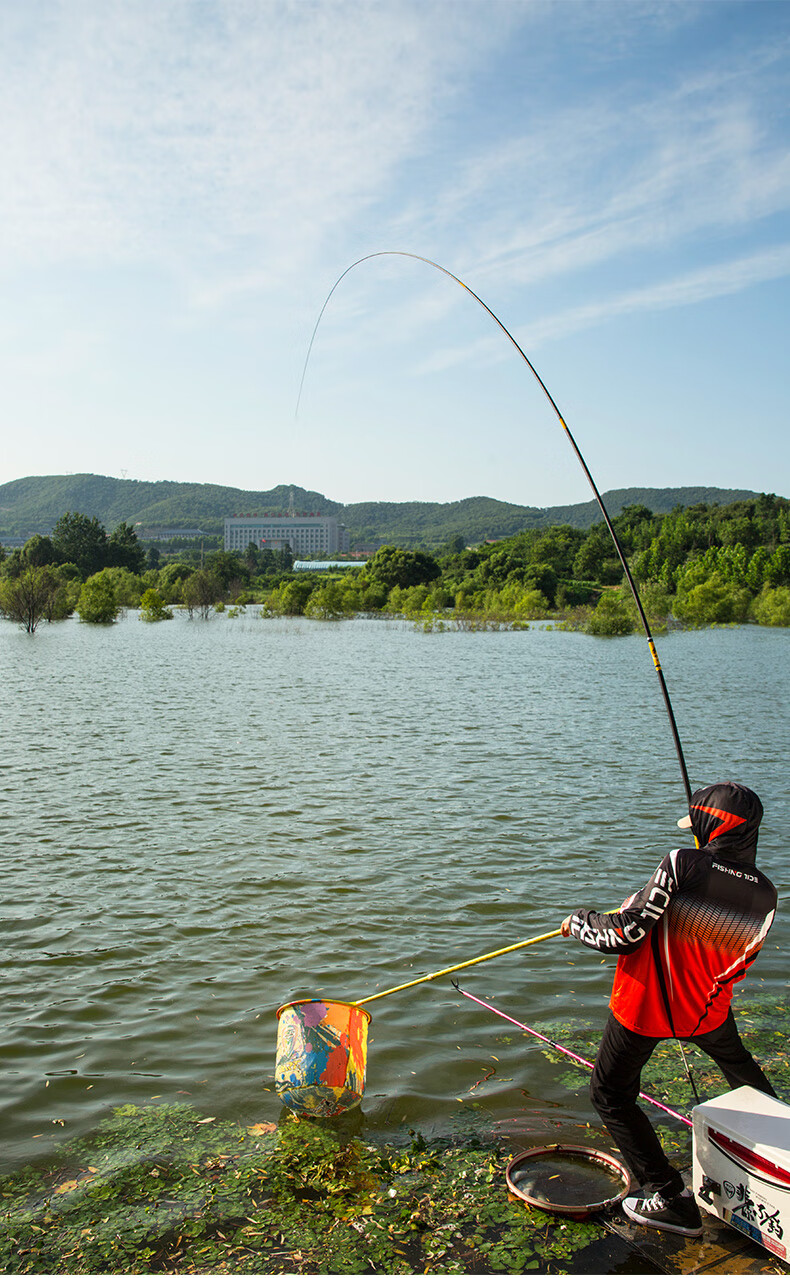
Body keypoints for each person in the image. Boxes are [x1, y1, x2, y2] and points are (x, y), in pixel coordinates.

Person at [561, 781, 777, 1238]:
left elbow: (624, 936)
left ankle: (669, 1196)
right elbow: (736, 960)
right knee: (743, 1073)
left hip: (645, 1009)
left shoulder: (684, 863)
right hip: (708, 1011)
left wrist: (581, 921)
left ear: (712, 827)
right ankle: (782, 1151)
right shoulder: (767, 894)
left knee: (611, 1095)